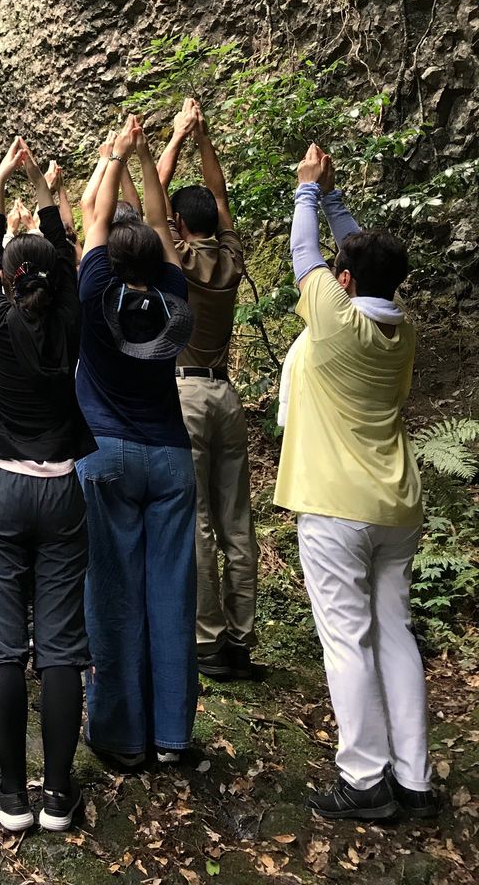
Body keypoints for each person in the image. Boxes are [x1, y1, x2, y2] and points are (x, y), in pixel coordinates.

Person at [276, 143, 434, 822]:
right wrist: (337, 200)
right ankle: (415, 779)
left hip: (335, 507)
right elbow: (359, 261)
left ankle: (364, 776)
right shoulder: (404, 330)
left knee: (347, 639)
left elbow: (304, 253)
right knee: (394, 632)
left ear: (343, 281)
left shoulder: (335, 324)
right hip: (397, 505)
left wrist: (308, 188)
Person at [0, 136, 95, 835]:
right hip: (62, 490)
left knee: (3, 645)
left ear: (9, 281)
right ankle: (59, 794)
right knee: (63, 645)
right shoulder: (70, 321)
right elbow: (64, 257)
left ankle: (12, 792)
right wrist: (43, 188)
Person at [77, 115, 198, 771]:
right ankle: (172, 733)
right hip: (171, 457)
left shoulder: (96, 293)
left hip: (105, 454)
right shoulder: (176, 300)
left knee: (111, 594)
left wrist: (117, 156)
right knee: (171, 592)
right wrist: (147, 158)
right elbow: (156, 222)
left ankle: (121, 734)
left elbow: (96, 217)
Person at [158, 98, 258, 682]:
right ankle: (242, 640)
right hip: (227, 396)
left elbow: (153, 201)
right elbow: (219, 197)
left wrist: (174, 138)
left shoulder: (181, 262)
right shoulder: (230, 261)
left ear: (178, 224)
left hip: (187, 397)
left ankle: (208, 637)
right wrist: (203, 138)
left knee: (196, 518)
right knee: (236, 521)